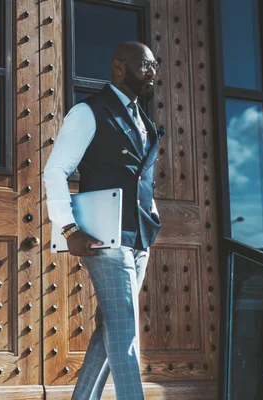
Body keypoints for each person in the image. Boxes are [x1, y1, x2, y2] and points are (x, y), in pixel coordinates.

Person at [43, 41, 165, 400]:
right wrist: (69, 229)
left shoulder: (143, 119)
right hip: (105, 239)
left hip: (139, 237)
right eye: (145, 64)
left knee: (111, 328)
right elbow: (55, 171)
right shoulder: (88, 112)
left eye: (154, 64)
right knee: (125, 333)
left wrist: (152, 212)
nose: (152, 71)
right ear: (119, 67)